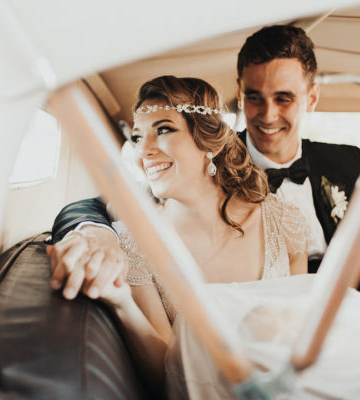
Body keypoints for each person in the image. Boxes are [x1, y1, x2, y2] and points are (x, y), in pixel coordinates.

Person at [47, 24, 360, 300]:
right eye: (254, 97)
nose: (267, 115)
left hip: (347, 326)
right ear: (240, 94)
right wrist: (92, 233)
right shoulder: (205, 160)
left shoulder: (348, 163)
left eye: (283, 98)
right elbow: (94, 206)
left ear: (312, 98)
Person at [69, 75, 309, 396]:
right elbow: (164, 373)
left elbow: (302, 332)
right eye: (138, 138)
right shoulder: (136, 240)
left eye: (164, 130)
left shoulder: (283, 220)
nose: (146, 152)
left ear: (207, 141)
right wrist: (122, 303)